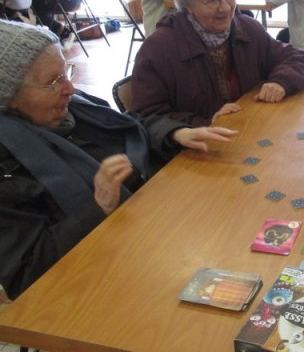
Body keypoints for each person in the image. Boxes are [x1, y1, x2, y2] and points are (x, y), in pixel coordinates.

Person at [0, 20, 238, 299]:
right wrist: (98, 205)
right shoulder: (9, 166)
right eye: (53, 81)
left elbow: (131, 126)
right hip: (99, 282)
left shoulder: (76, 109)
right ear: (8, 97)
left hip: (154, 230)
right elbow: (27, 273)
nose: (70, 88)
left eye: (66, 72)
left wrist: (175, 133)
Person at [131, 0, 304, 128]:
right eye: (212, 0)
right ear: (187, 4)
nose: (226, 8)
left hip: (245, 133)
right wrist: (205, 124)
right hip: (193, 150)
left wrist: (280, 82)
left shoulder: (246, 29)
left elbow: (297, 58)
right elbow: (147, 118)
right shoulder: (159, 49)